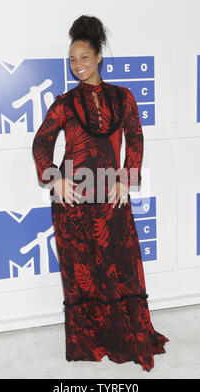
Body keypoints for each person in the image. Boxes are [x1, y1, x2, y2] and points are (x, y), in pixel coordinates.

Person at [32, 15, 169, 372]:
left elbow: (135, 138)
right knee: (83, 273)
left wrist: (127, 178)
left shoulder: (123, 98)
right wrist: (55, 179)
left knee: (118, 269)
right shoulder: (64, 102)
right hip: (74, 203)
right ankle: (90, 343)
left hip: (110, 199)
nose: (78, 65)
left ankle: (124, 338)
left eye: (84, 58)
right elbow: (41, 144)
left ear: (99, 59)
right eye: (72, 60)